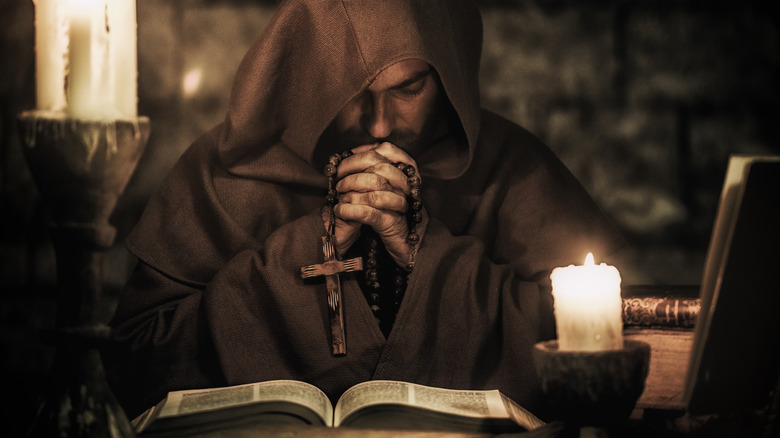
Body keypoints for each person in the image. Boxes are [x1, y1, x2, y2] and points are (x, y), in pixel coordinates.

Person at [104, 0, 625, 421]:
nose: (378, 126)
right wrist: (309, 250)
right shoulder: (229, 174)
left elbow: (601, 342)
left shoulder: (514, 171)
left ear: (445, 79)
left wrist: (426, 255)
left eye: (408, 88)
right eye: (352, 93)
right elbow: (136, 363)